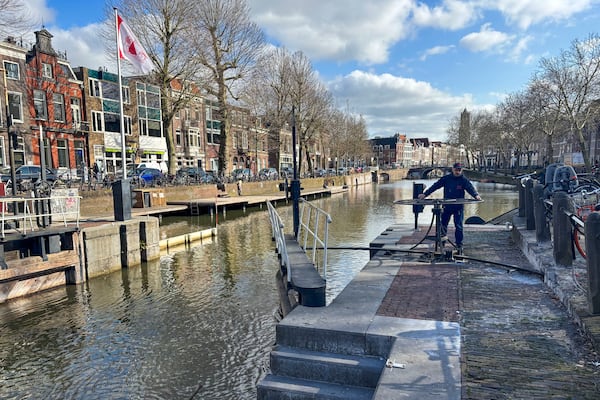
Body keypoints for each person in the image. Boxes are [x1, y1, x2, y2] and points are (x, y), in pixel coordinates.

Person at [418, 162, 482, 253]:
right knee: (443, 225)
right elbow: (435, 186)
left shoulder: (463, 180)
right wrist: (425, 194)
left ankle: (459, 244)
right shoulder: (446, 179)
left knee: (459, 226)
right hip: (446, 207)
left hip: (458, 207)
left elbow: (470, 188)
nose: (457, 172)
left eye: (459, 170)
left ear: (461, 170)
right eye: (456, 170)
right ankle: (442, 242)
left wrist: (476, 195)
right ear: (453, 169)